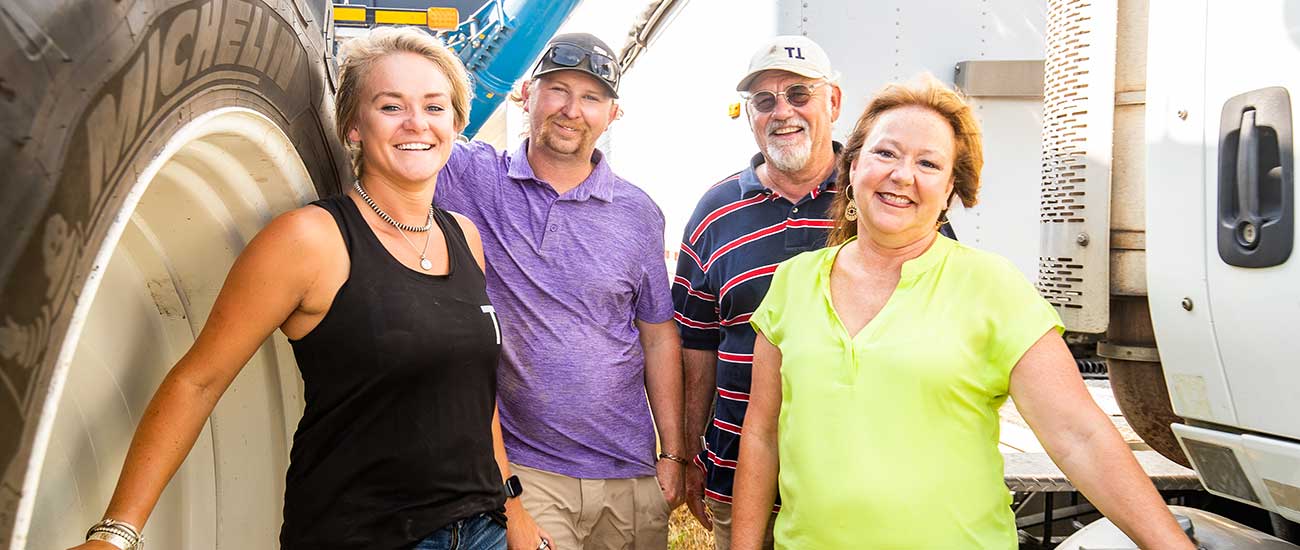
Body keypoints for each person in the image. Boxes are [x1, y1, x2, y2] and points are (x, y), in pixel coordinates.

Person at [68, 27, 542, 550]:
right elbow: (198, 381)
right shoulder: (309, 240)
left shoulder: (463, 235)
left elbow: (474, 392)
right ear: (354, 126)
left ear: (455, 123)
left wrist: (512, 507)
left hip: (480, 530)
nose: (416, 123)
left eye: (434, 107)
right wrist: (116, 533)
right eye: (391, 106)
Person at [730, 76, 1197, 549]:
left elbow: (1081, 437)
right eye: (886, 153)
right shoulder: (793, 282)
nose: (903, 175)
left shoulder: (991, 286)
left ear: (950, 187)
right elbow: (762, 435)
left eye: (928, 163)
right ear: (852, 167)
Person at [433, 33, 686, 549]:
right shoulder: (472, 177)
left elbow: (658, 336)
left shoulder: (638, 213)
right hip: (530, 472)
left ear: (612, 114)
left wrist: (674, 455)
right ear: (526, 94)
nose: (572, 110)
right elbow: (409, 133)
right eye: (558, 90)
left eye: (591, 97)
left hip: (630, 473)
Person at [671, 35, 843, 550]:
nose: (781, 112)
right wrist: (690, 452)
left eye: (799, 94)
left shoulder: (878, 195)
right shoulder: (716, 211)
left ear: (833, 102)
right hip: (738, 477)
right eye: (764, 101)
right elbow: (695, 343)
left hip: (851, 483)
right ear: (750, 116)